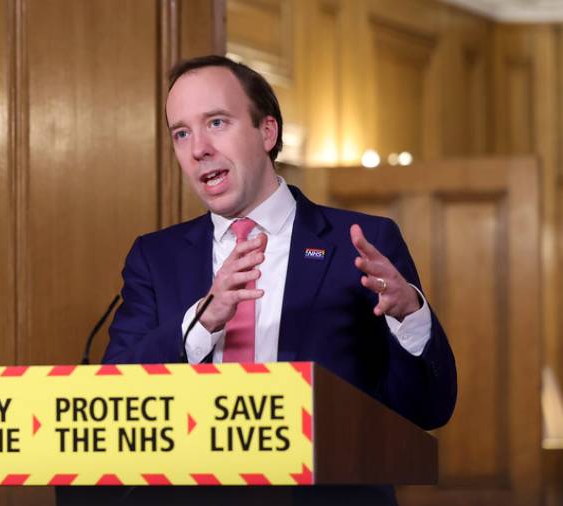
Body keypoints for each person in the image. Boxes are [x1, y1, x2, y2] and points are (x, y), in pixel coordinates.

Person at [88, 55, 456, 506]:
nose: (197, 147)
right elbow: (108, 397)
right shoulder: (155, 257)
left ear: (267, 131)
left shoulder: (361, 244)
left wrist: (410, 317)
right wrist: (201, 324)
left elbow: (427, 409)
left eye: (216, 122)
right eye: (181, 133)